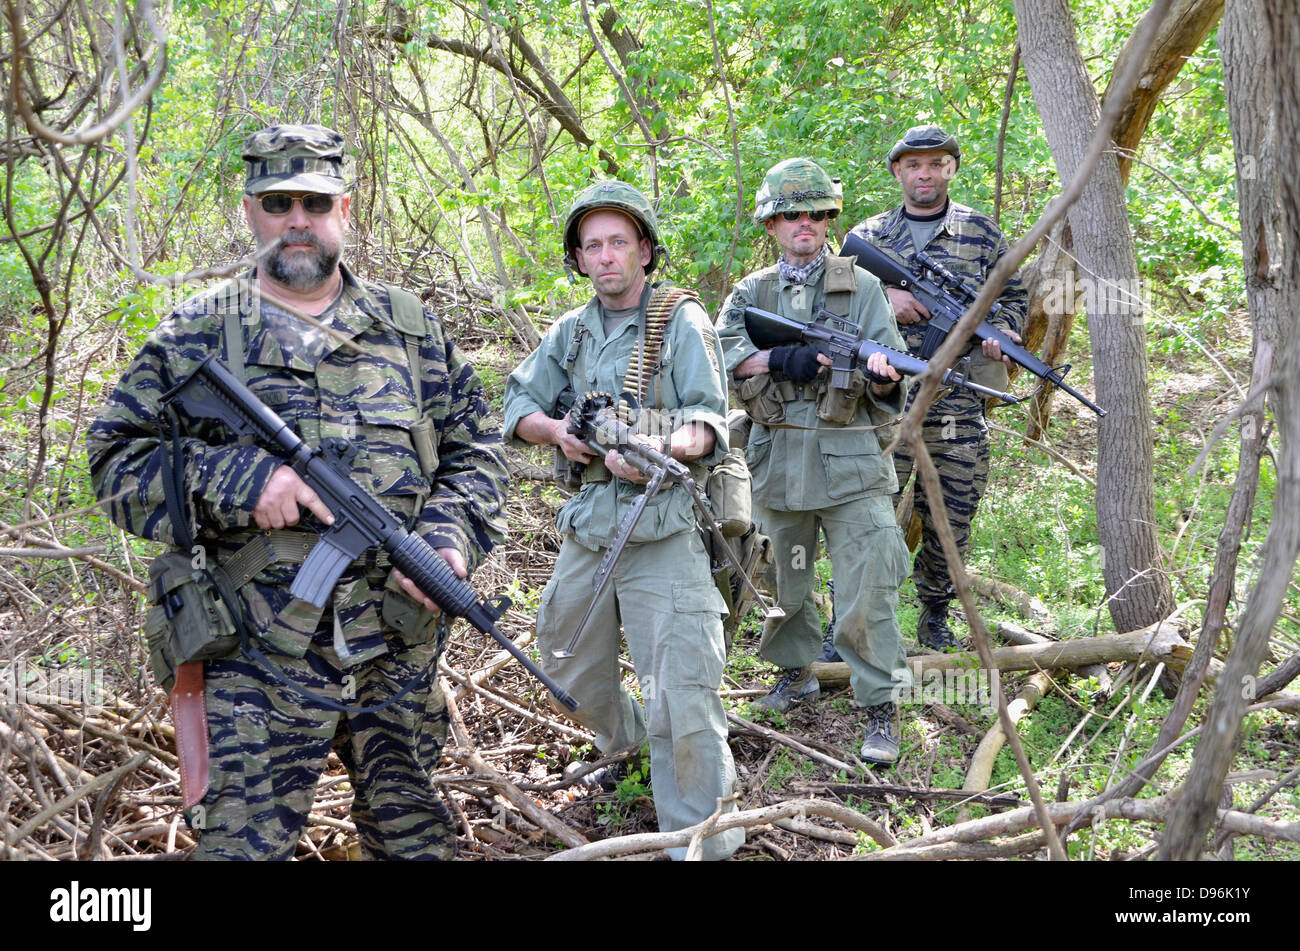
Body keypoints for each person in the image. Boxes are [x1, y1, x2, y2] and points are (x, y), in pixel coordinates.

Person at [86, 124, 509, 860]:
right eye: (277, 201)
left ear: (345, 208)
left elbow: (477, 449)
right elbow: (114, 460)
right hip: (255, 663)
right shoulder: (197, 335)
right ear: (250, 212)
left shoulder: (410, 331)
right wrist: (238, 480)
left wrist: (447, 537)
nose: (296, 220)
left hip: (396, 652)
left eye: (314, 202)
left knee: (415, 846)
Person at [503, 180, 743, 860]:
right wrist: (560, 433)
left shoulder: (680, 321)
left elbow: (707, 422)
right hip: (591, 527)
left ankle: (700, 841)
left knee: (684, 692)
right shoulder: (570, 332)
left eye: (618, 242)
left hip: (663, 526)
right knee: (563, 664)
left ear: (644, 249)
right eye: (592, 246)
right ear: (578, 259)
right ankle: (632, 745)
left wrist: (657, 447)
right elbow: (516, 405)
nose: (606, 257)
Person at [715, 158, 913, 765]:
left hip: (851, 460)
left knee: (869, 582)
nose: (805, 224)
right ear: (771, 224)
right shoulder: (752, 293)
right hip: (778, 460)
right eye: (791, 214)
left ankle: (880, 703)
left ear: (830, 220)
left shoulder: (864, 287)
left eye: (817, 214)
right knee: (787, 579)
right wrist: (777, 362)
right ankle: (794, 672)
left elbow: (894, 368)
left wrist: (880, 379)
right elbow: (721, 355)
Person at [851, 124, 1027, 651]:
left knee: (952, 517)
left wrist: (1005, 334)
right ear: (898, 172)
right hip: (883, 402)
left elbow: (1013, 296)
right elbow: (835, 303)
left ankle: (934, 613)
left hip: (959, 404)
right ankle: (856, 619)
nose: (924, 173)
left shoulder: (982, 232)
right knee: (866, 515)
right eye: (914, 165)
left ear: (951, 168)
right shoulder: (870, 235)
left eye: (936, 164)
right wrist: (888, 298)